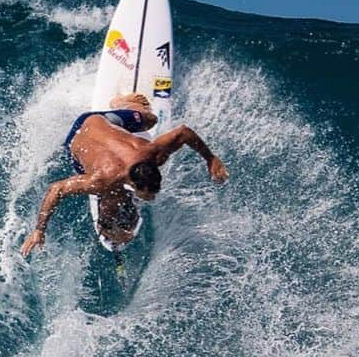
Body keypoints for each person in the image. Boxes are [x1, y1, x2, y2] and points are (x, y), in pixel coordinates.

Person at [20, 93, 228, 256]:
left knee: (150, 119)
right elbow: (56, 189)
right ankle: (108, 225)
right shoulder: (102, 179)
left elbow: (184, 132)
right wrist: (39, 230)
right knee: (113, 194)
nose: (152, 198)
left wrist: (211, 159)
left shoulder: (152, 153)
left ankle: (124, 103)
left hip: (106, 120)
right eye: (147, 194)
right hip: (79, 137)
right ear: (132, 182)